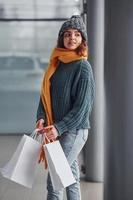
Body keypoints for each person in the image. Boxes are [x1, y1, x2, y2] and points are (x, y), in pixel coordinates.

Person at [36, 15, 95, 200]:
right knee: (70, 179)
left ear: (82, 40)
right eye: (67, 34)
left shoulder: (83, 67)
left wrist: (58, 127)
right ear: (61, 38)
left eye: (77, 34)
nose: (72, 38)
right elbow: (45, 96)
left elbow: (82, 108)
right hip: (56, 128)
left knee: (54, 181)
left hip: (74, 131)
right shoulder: (57, 63)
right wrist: (41, 117)